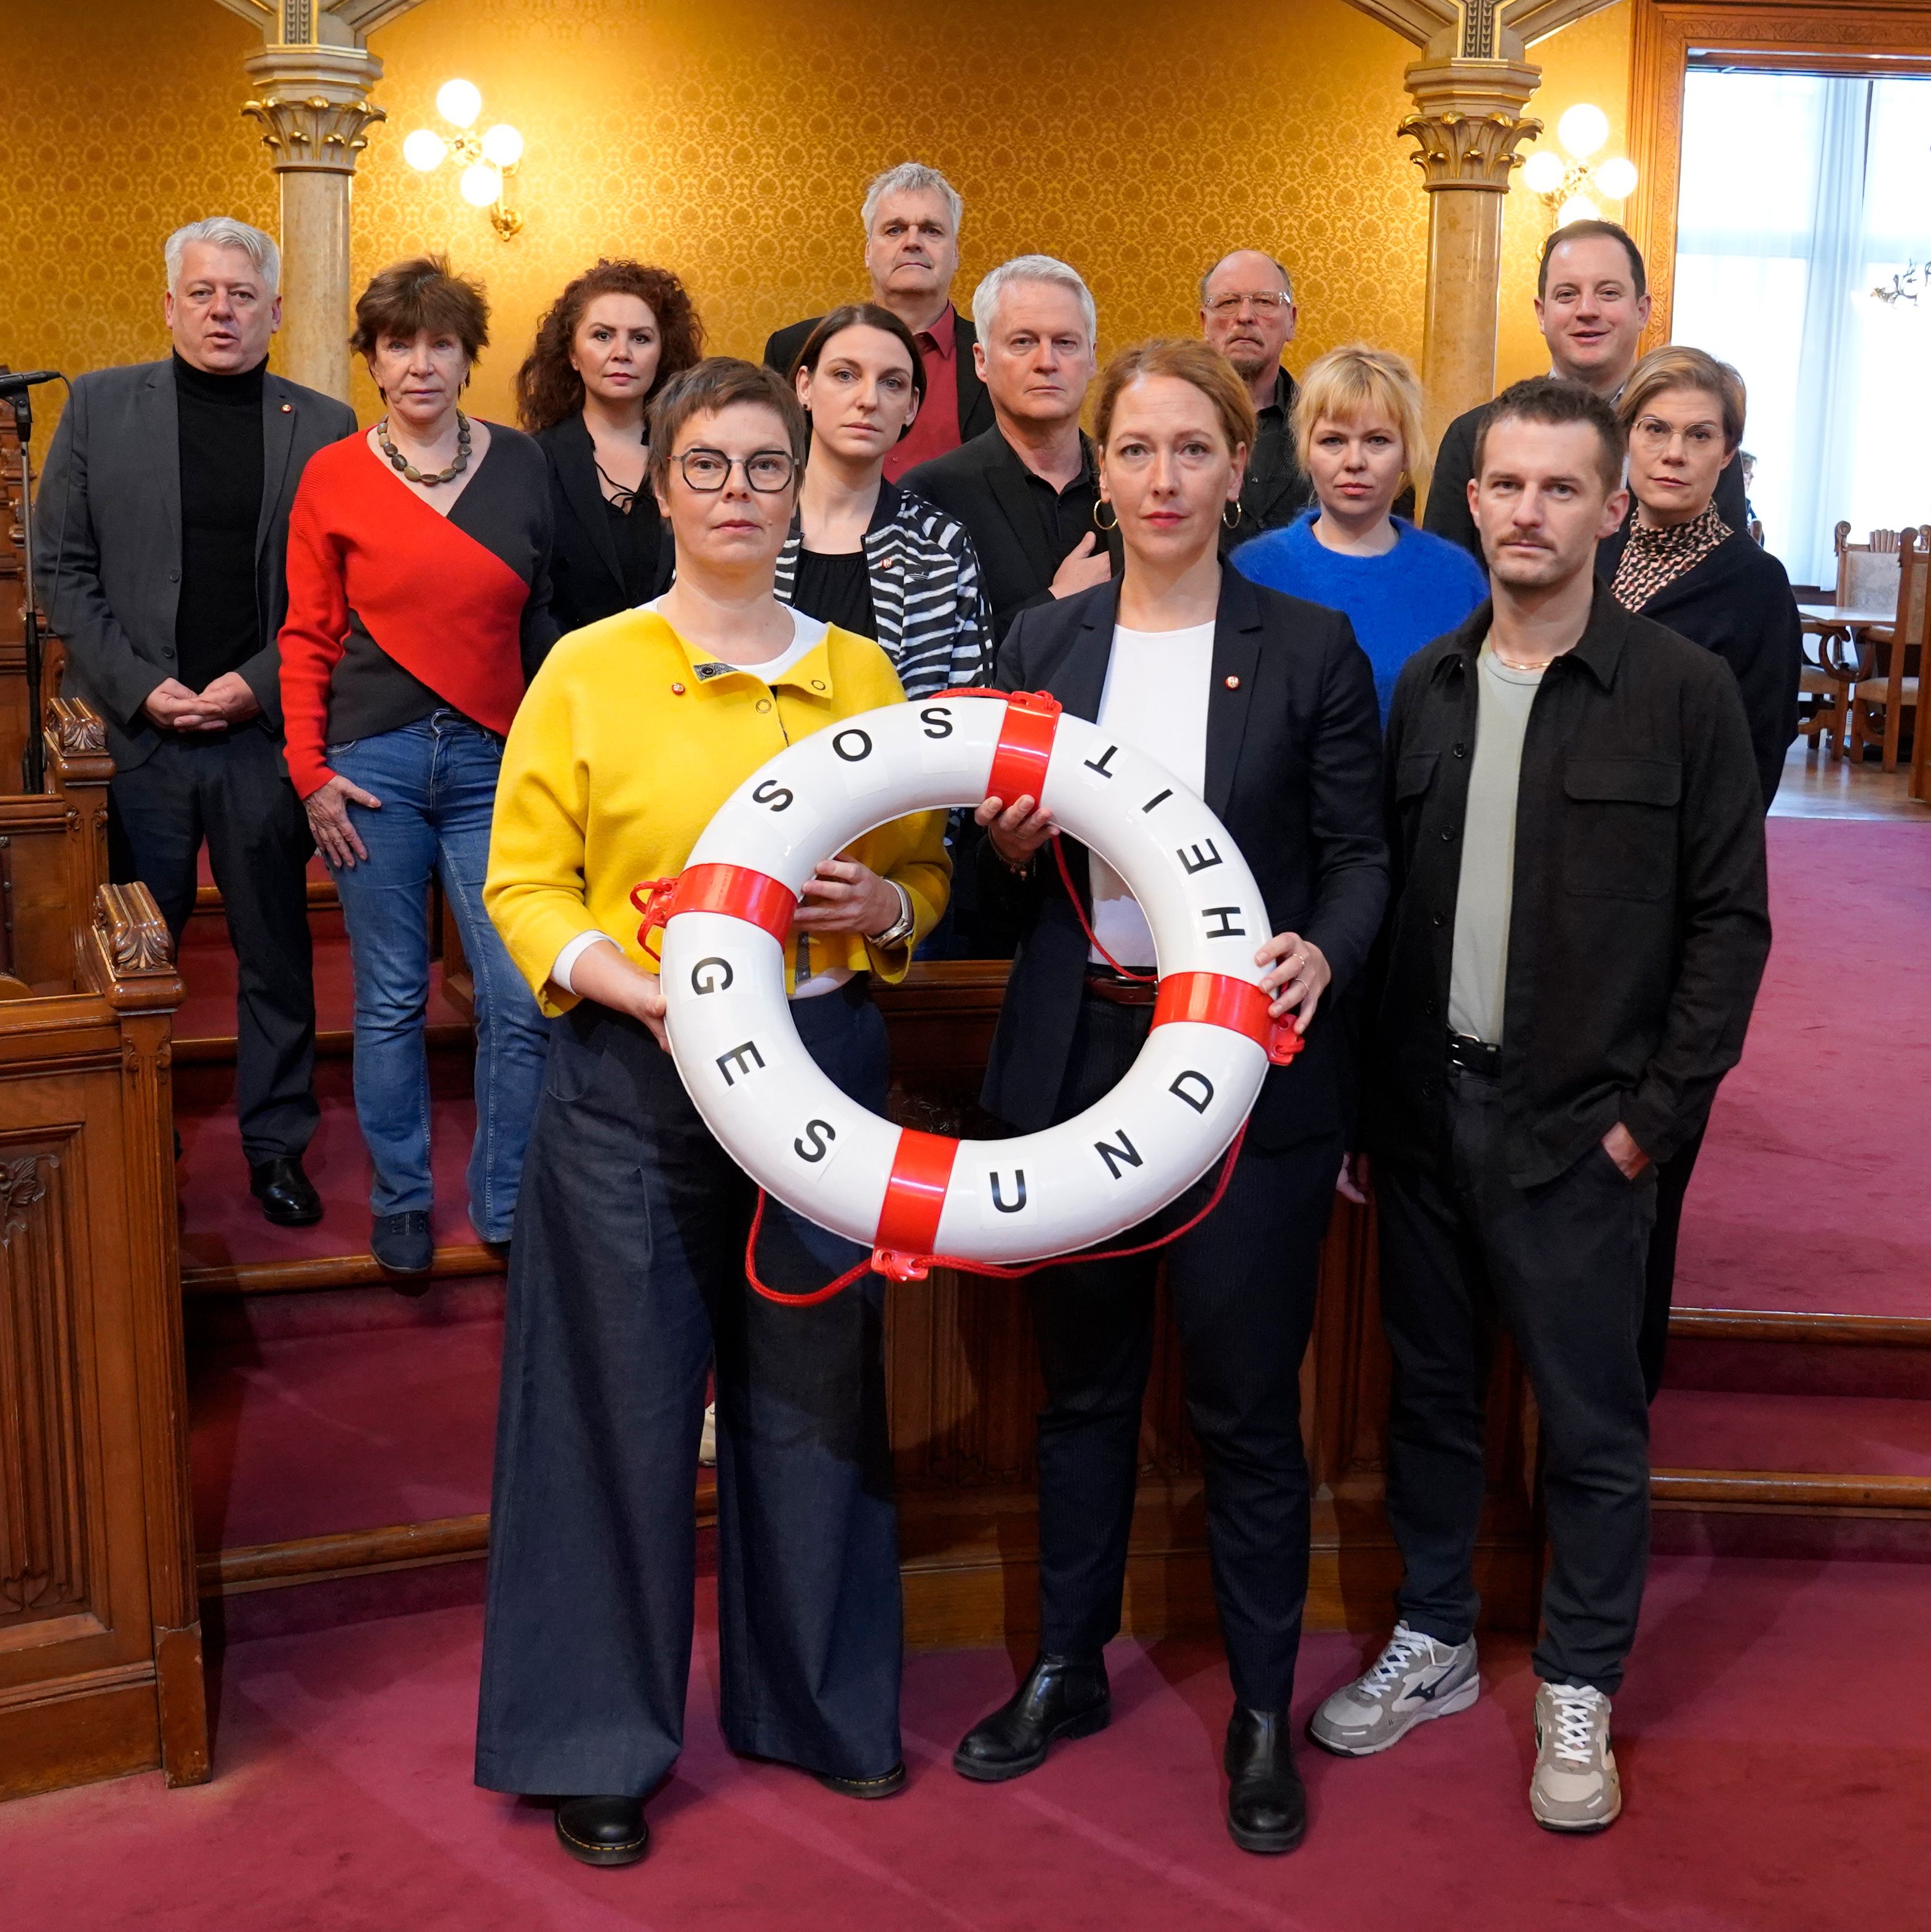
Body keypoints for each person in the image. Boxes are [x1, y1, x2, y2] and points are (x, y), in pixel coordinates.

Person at [476, 357, 949, 1868]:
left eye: (762, 465)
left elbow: (925, 876)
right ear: (662, 485)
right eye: (707, 466)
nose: (737, 493)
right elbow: (524, 884)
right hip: (635, 1077)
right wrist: (632, 985)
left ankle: (816, 1701)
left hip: (818, 1068)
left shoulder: (863, 673)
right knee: (609, 1406)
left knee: (813, 1395)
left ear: (794, 475)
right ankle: (594, 1740)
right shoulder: (588, 667)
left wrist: (883, 900)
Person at [1316, 379, 1771, 1834]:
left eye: (1559, 489)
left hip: (1586, 1131)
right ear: (1471, 503)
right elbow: (1384, 910)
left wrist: (1652, 1121)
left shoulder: (1682, 694)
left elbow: (1727, 926)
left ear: (1610, 504)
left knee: (1589, 1425)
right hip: (1427, 1115)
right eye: (1504, 486)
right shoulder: (1430, 685)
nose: (1527, 511)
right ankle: (1436, 1636)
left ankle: (1578, 1678)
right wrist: (1369, 1113)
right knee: (1433, 1402)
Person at [951, 340, 1386, 1857]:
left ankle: (1260, 1710)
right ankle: (1066, 1666)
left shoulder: (1311, 644)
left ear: (1233, 459)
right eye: (1132, 451)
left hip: (1244, 1072)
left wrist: (1326, 946)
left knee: (1243, 1405)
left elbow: (1361, 855)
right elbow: (991, 868)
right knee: (1079, 1392)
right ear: (1106, 468)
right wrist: (1002, 848)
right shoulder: (1043, 636)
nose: (1157, 479)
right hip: (1078, 1059)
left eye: (1188, 449)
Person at [34, 217, 352, 1227]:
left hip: (261, 735)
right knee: (137, 951)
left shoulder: (326, 424)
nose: (223, 311)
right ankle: (139, 1131)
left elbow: (337, 587)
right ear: (171, 302)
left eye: (242, 295)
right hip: (137, 741)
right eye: (204, 293)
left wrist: (255, 682)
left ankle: (275, 1147)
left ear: (273, 310)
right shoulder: (96, 407)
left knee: (274, 953)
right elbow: (61, 572)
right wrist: (137, 684)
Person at [277, 256, 555, 1277]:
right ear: (374, 359)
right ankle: (400, 1198)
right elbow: (306, 636)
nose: (422, 363)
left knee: (519, 994)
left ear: (467, 354)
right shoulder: (333, 475)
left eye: (442, 342)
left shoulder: (523, 465)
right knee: (391, 997)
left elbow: (547, 623)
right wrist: (307, 772)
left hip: (495, 762)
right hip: (371, 769)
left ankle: (507, 1196)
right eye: (400, 344)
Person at [1605, 346, 1801, 1400]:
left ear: (1726, 454)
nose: (1673, 454)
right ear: (1623, 439)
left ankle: (1620, 1409)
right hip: (1551, 900)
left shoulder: (1752, 586)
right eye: (1654, 432)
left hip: (1670, 910)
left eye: (1697, 436)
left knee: (1646, 1172)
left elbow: (1757, 767)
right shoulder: (1581, 554)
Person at [1422, 221, 1748, 560]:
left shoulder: (1698, 441)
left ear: (1642, 310)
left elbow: (1727, 572)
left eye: (1608, 293)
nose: (1587, 310)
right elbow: (1447, 583)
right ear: (1542, 314)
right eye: (1567, 295)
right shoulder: (1472, 435)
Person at [1233, 345, 1487, 721]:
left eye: (1377, 441)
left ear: (1406, 453)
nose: (1354, 462)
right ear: (1305, 451)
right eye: (1333, 441)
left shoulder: (1456, 576)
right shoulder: (1253, 572)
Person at [779, 302, 992, 695]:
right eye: (845, 375)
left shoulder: (942, 547)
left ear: (911, 406)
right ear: (804, 386)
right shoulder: (745, 521)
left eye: (891, 383)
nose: (868, 399)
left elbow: (968, 712)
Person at [901, 255, 1115, 642]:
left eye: (1065, 343)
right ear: (982, 362)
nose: (1046, 362)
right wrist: (1055, 602)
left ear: (1092, 358)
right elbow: (928, 657)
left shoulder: (1132, 483)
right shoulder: (930, 494)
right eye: (1023, 342)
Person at [763, 162, 992, 481]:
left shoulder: (997, 354)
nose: (913, 242)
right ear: (869, 251)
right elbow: (770, 463)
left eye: (931, 230)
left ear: (955, 254)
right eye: (895, 229)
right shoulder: (793, 348)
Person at [517, 258, 703, 633]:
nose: (622, 353)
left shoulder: (697, 458)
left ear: (662, 352)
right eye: (602, 336)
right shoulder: (532, 461)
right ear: (572, 354)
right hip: (570, 675)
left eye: (641, 338)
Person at [1199, 249, 1314, 543]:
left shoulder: (1325, 425)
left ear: (1292, 321)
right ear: (1204, 324)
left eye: (1264, 301)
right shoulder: (1173, 427)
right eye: (1228, 303)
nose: (1245, 316)